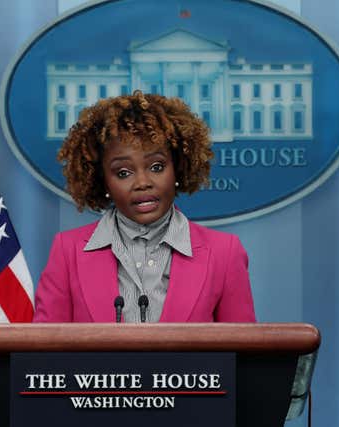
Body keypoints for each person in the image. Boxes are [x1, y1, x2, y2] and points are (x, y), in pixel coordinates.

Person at [33, 90, 256, 323]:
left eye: (157, 167)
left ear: (177, 168)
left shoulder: (224, 253)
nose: (142, 183)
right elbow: (44, 352)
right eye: (123, 172)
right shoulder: (67, 252)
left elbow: (244, 354)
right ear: (102, 180)